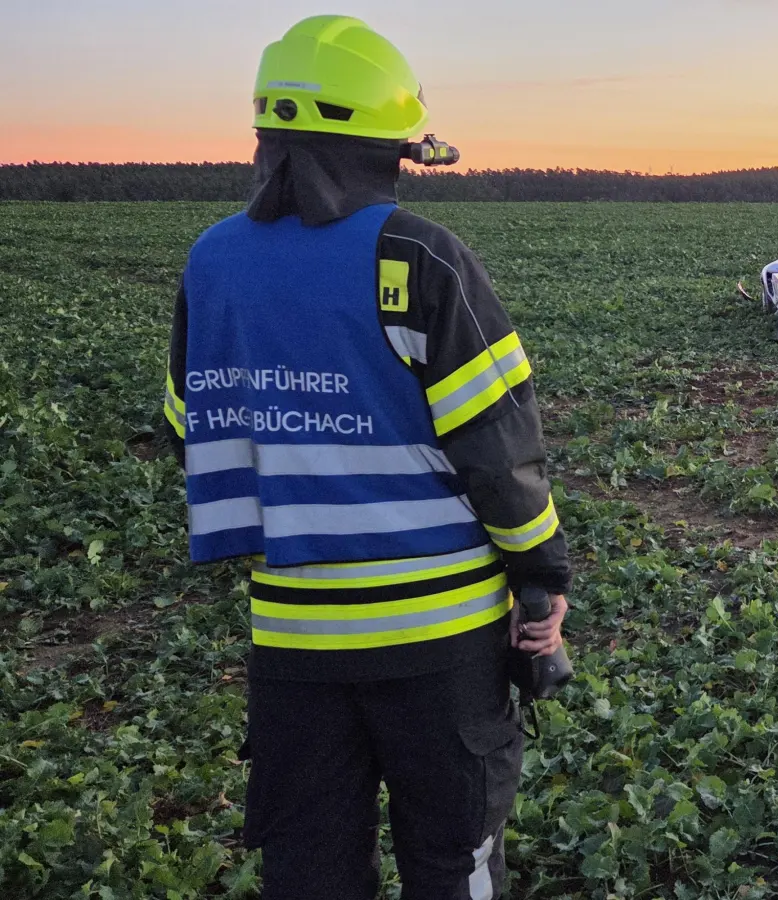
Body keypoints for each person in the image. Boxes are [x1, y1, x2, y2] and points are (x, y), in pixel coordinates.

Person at [158, 16, 570, 898]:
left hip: (292, 639)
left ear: (267, 139)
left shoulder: (211, 261)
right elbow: (499, 447)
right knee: (451, 859)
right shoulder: (417, 255)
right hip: (439, 641)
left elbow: (187, 422)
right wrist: (544, 573)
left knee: (309, 867)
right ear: (390, 144)